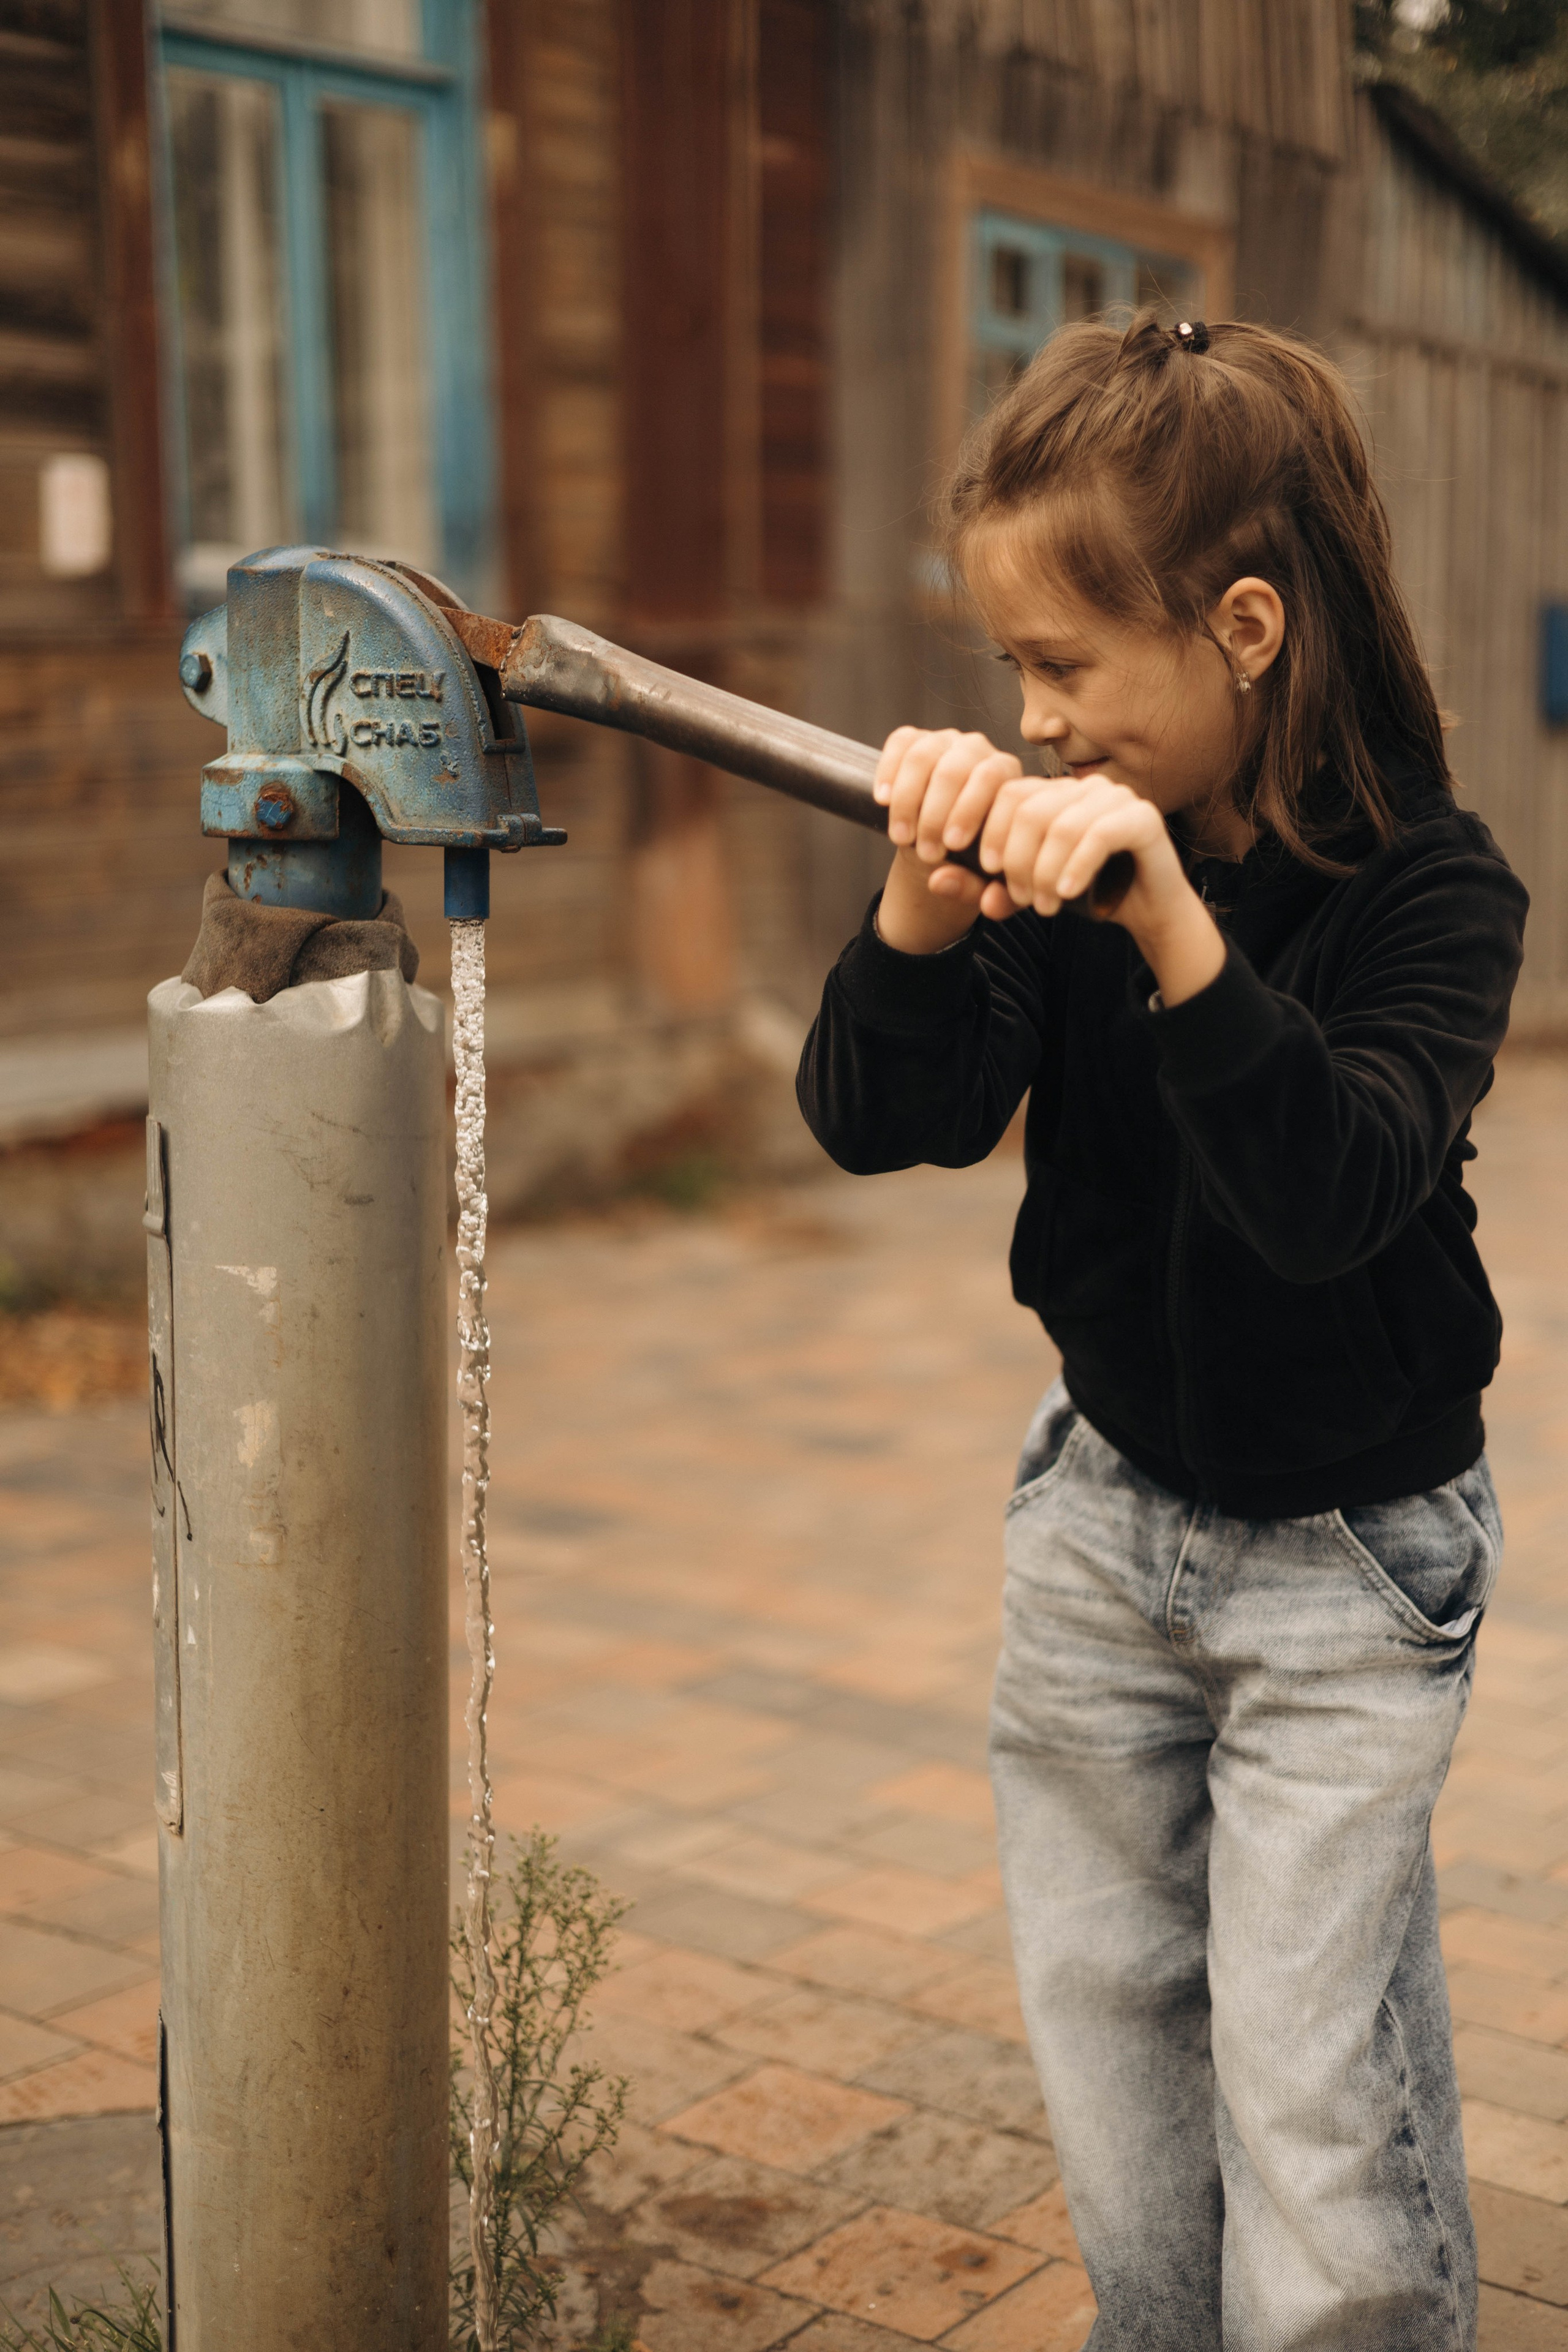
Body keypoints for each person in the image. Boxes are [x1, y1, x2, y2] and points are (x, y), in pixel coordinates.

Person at [796, 312, 1528, 2351]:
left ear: (1245, 630)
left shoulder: (1433, 893)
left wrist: (1171, 928)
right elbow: (886, 1118)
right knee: (1118, 2048)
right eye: (1010, 674)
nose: (1033, 723)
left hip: (1351, 1573)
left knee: (1308, 2083)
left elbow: (1329, 1189)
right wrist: (923, 905)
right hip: (1104, 1532)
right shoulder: (1055, 853)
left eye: (1065, 668)